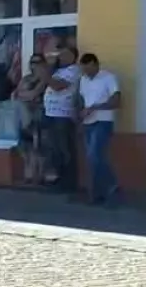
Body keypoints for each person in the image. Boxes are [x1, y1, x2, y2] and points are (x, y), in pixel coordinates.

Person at [78, 53, 122, 204]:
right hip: (87, 123)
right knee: (95, 159)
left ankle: (104, 187)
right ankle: (103, 190)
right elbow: (82, 99)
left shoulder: (108, 78)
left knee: (94, 156)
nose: (87, 73)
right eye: (84, 70)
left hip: (103, 121)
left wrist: (96, 107)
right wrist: (80, 112)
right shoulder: (83, 80)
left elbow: (116, 101)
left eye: (89, 69)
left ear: (96, 64)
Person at [42, 47, 81, 190]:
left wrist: (45, 73)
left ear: (73, 57)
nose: (62, 57)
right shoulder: (58, 70)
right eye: (61, 54)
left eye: (66, 54)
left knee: (64, 148)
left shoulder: (74, 70)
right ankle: (57, 179)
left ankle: (69, 182)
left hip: (63, 115)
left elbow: (57, 86)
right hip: (51, 113)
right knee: (53, 148)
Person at [13, 54, 50, 185]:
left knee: (39, 148)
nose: (35, 65)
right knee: (25, 147)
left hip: (39, 116)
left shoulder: (46, 79)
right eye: (32, 62)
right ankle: (28, 174)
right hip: (25, 118)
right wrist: (25, 95)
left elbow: (34, 94)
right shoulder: (26, 78)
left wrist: (25, 95)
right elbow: (15, 95)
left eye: (38, 62)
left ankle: (39, 175)